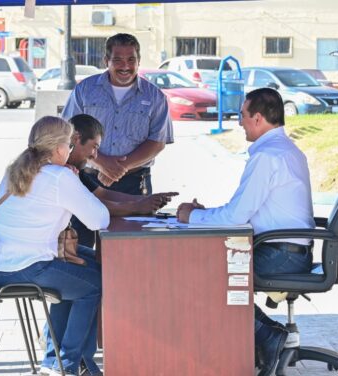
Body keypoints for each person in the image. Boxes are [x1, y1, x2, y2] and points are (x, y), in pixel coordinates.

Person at [176, 88, 314, 376]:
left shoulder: (267, 156)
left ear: (259, 118)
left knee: (206, 278)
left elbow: (237, 216)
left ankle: (268, 336)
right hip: (287, 250)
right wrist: (204, 215)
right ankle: (260, 340)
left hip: (280, 254)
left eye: (243, 115)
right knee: (211, 271)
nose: (239, 122)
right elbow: (245, 211)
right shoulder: (287, 150)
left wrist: (192, 216)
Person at [0, 116, 109, 376]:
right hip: (21, 267)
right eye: (69, 146)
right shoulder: (60, 176)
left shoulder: (16, 168)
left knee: (87, 267)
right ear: (60, 148)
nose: (70, 151)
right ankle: (66, 365)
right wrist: (73, 182)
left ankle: (62, 360)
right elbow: (99, 220)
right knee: (95, 284)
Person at [62, 33, 173, 196]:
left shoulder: (155, 97)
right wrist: (102, 163)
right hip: (86, 180)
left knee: (137, 222)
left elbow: (157, 142)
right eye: (117, 60)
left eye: (131, 60)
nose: (125, 66)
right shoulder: (85, 90)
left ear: (139, 61)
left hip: (135, 183)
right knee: (84, 223)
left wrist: (121, 168)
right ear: (106, 61)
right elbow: (68, 132)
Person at [68, 114, 178, 247]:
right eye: (94, 147)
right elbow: (93, 207)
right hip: (45, 260)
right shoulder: (62, 172)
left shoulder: (75, 171)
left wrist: (147, 200)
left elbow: (102, 193)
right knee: (105, 267)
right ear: (76, 138)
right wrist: (137, 207)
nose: (95, 155)